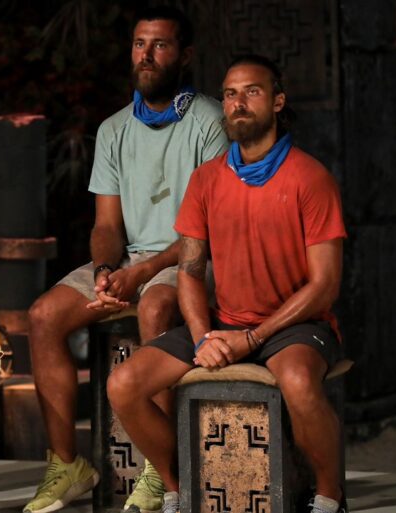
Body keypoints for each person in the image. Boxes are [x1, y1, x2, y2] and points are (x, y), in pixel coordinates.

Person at [107, 55, 348, 513]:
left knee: (298, 381)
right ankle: (179, 489)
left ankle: (328, 497)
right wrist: (204, 338)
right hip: (225, 320)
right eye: (230, 94)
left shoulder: (310, 178)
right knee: (123, 384)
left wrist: (253, 338)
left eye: (252, 92)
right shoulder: (206, 180)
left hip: (295, 326)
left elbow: (325, 285)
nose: (238, 103)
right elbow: (189, 271)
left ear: (278, 101)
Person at [23, 6, 228, 513]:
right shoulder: (114, 129)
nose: (147, 55)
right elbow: (107, 226)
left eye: (160, 45)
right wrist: (105, 272)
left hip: (193, 259)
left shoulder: (209, 122)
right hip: (133, 260)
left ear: (185, 55)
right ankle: (67, 465)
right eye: (139, 44)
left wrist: (141, 272)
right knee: (43, 316)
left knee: (155, 307)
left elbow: (205, 230)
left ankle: (161, 471)